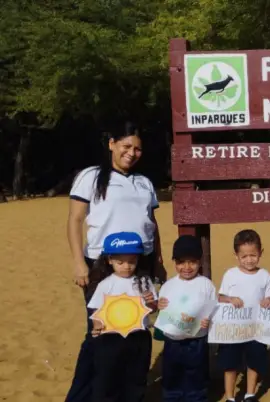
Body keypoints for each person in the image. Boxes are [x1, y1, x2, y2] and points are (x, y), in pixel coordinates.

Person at [65, 122, 165, 402]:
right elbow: (74, 220)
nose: (132, 153)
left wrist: (157, 261)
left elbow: (152, 224)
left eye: (137, 149)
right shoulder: (91, 176)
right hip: (102, 265)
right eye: (126, 146)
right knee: (99, 332)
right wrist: (78, 264)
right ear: (111, 144)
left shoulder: (144, 183)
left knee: (137, 331)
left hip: (140, 264)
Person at [87, 231, 158, 402]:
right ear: (109, 260)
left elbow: (153, 309)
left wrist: (150, 302)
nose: (126, 266)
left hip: (138, 337)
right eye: (120, 262)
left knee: (137, 379)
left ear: (138, 259)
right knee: (108, 379)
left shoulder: (144, 281)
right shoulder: (105, 284)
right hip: (111, 338)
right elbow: (95, 311)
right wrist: (97, 325)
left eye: (132, 261)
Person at [157, 235, 217, 401]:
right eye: (181, 262)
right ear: (175, 262)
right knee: (171, 375)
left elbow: (213, 310)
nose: (187, 267)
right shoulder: (168, 286)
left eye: (192, 261)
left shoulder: (206, 285)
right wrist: (159, 306)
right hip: (172, 340)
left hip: (197, 340)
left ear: (199, 261)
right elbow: (162, 312)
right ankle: (172, 397)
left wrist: (208, 320)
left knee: (196, 375)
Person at [217, 229, 270, 402]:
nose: (249, 260)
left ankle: (250, 393)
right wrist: (229, 298)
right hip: (233, 329)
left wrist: (269, 300)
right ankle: (230, 396)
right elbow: (220, 297)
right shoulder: (230, 274)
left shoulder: (265, 275)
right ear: (236, 255)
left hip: (256, 328)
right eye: (244, 256)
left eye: (253, 255)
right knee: (230, 364)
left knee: (254, 361)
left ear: (260, 253)